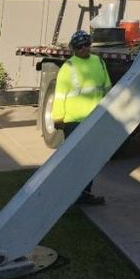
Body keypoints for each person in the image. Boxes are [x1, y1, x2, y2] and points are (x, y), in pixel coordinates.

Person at [52, 29, 112, 205]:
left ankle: (84, 194)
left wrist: (109, 112)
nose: (84, 48)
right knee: (75, 161)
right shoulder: (68, 68)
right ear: (74, 48)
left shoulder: (99, 62)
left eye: (87, 44)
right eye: (80, 46)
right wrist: (58, 117)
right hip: (74, 121)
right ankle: (69, 193)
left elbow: (107, 88)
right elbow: (60, 95)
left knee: (91, 161)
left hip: (94, 120)